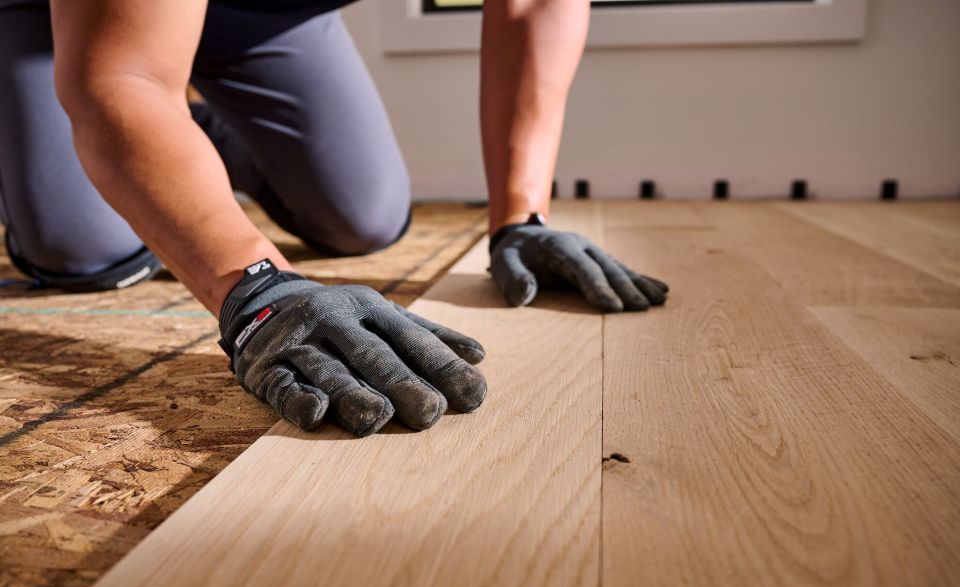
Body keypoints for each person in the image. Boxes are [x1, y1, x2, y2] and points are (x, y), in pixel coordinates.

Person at [0, 0, 668, 437]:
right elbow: (124, 77)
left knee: (362, 219)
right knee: (83, 251)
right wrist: (257, 288)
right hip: (69, 25)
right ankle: (146, 144)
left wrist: (522, 215)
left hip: (265, 16)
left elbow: (532, 7)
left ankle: (193, 136)